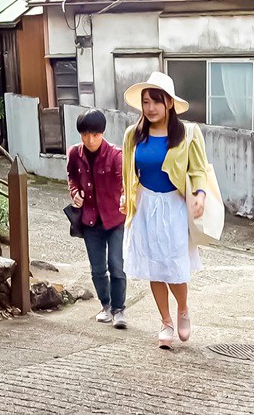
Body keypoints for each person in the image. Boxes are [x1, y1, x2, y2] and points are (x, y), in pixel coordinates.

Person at [120, 71, 209, 349]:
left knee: (174, 266)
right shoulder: (133, 135)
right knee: (154, 268)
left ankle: (183, 309)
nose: (151, 108)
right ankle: (166, 322)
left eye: (157, 101)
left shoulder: (187, 134)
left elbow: (199, 170)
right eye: (146, 102)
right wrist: (125, 196)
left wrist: (200, 195)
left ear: (169, 103)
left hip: (175, 206)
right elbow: (128, 172)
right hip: (145, 206)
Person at [67, 109, 128, 329]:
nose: (90, 140)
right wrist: (75, 193)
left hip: (114, 219)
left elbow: (124, 182)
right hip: (90, 220)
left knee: (116, 266)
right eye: (85, 135)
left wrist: (124, 196)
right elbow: (72, 177)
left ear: (102, 133)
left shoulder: (116, 155)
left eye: (95, 134)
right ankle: (106, 305)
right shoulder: (74, 153)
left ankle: (119, 310)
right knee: (98, 269)